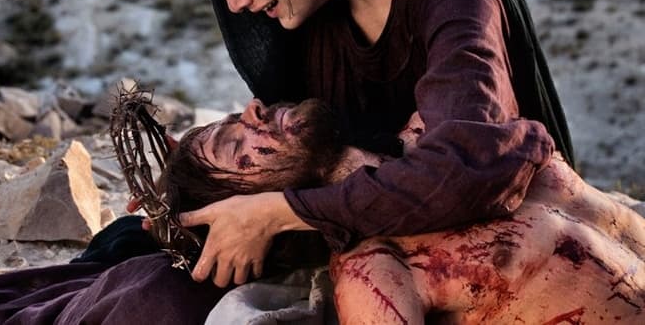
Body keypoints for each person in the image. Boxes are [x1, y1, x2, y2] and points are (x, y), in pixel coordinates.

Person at [174, 0, 575, 289]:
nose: (234, 3)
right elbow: (303, 158)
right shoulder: (307, 8)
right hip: (377, 252)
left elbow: (466, 167)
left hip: (502, 270)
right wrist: (183, 199)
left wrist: (279, 213)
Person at [160, 98, 644, 323]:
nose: (253, 110)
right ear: (246, 210)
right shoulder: (374, 270)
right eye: (232, 142)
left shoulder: (435, 128)